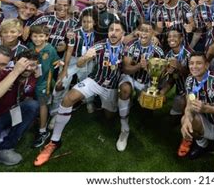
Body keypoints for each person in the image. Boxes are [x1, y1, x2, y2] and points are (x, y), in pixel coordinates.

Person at [33, 22, 127, 166]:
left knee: (109, 116)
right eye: (111, 30)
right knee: (68, 98)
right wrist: (86, 57)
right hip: (95, 81)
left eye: (117, 30)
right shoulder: (99, 46)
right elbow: (79, 65)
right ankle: (54, 141)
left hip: (112, 88)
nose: (113, 33)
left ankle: (111, 117)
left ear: (123, 34)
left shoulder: (127, 48)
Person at [120, 22, 164, 151]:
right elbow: (126, 69)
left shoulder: (158, 51)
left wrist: (148, 69)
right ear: (138, 32)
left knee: (147, 112)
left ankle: (139, 102)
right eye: (142, 30)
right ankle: (124, 128)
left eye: (148, 30)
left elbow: (160, 76)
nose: (144, 33)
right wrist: (139, 66)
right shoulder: (131, 45)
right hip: (131, 78)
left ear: (153, 34)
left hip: (147, 82)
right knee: (125, 90)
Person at [159, 28, 194, 157]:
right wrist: (162, 92)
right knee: (169, 123)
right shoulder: (168, 55)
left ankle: (190, 141)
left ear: (181, 38)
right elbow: (172, 79)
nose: (171, 39)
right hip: (180, 92)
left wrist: (180, 67)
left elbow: (195, 76)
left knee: (189, 118)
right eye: (169, 37)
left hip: (194, 93)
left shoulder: (190, 54)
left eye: (174, 36)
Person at [28, 25, 62, 148]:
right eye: (35, 36)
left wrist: (59, 63)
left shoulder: (50, 49)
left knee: (43, 104)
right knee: (31, 102)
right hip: (31, 81)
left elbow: (57, 61)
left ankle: (43, 131)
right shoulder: (30, 47)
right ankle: (32, 121)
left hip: (44, 83)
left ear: (47, 37)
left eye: (41, 36)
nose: (37, 39)